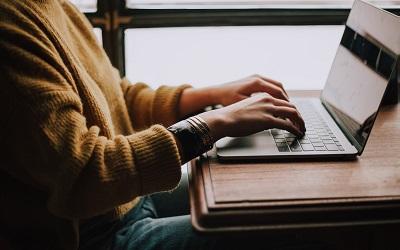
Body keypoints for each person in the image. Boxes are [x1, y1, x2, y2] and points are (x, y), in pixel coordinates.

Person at [0, 0, 305, 249]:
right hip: (90, 234)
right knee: (279, 231)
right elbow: (84, 174)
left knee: (271, 200)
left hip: (125, 199)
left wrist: (211, 96)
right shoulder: (9, 26)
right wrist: (210, 124)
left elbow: (117, 96)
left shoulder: (52, 4)